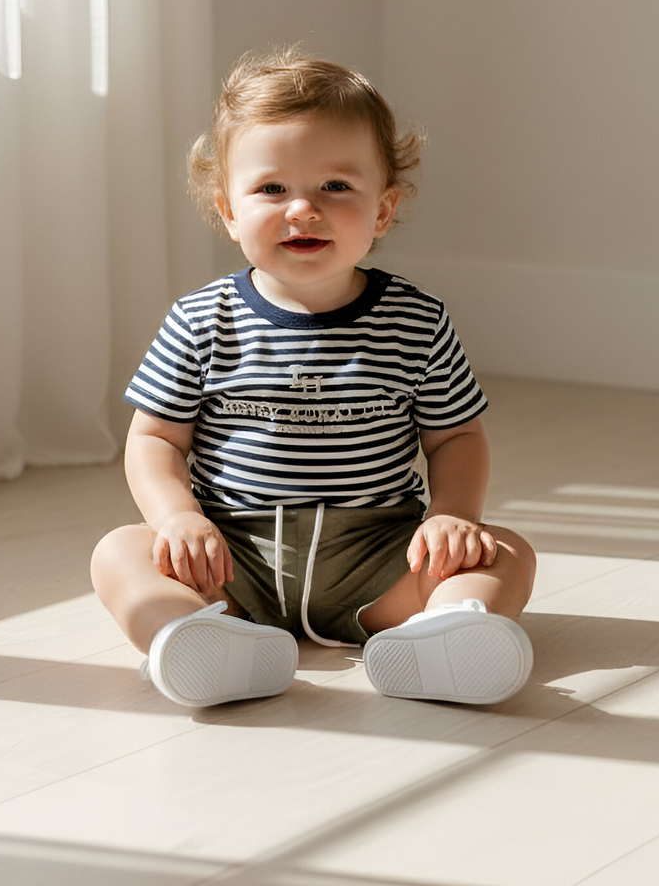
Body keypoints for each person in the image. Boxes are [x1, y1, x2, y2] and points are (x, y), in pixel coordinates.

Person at [90, 48, 536, 709]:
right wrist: (179, 518)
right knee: (120, 552)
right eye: (272, 189)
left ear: (383, 209)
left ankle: (446, 635)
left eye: (335, 187)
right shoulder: (201, 320)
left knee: (506, 552)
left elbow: (456, 438)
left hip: (379, 558)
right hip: (230, 559)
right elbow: (155, 439)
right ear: (228, 210)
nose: (302, 209)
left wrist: (452, 517)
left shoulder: (416, 320)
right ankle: (191, 637)